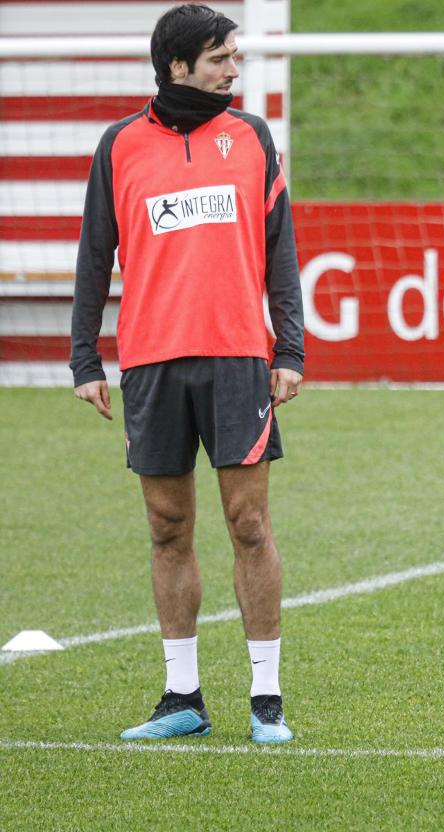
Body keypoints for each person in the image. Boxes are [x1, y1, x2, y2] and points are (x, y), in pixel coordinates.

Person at [70, 3, 304, 744]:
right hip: (150, 361)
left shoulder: (252, 137)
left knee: (249, 524)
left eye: (235, 56)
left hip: (238, 357)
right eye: (221, 59)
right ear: (178, 65)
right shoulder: (119, 146)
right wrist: (85, 356)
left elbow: (281, 249)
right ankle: (182, 697)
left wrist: (290, 349)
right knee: (168, 528)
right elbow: (92, 255)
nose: (235, 70)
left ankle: (266, 701)